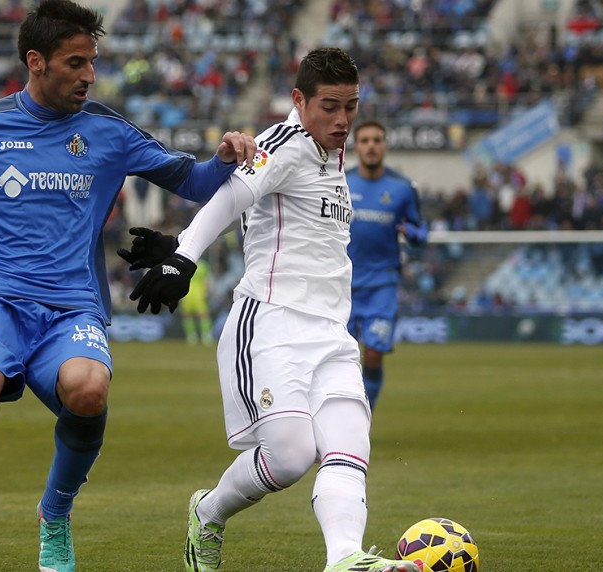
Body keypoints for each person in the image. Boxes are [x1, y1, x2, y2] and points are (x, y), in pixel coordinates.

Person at [0, 1, 256, 570]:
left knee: (89, 391)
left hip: (72, 306)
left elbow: (191, 181)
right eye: (76, 63)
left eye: (93, 62)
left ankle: (55, 516)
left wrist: (223, 158)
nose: (89, 76)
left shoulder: (108, 131)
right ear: (36, 61)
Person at [121, 47, 420, 572]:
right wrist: (183, 260)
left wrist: (175, 242)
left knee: (350, 443)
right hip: (272, 323)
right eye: (330, 105)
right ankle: (207, 513)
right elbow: (233, 198)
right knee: (290, 456)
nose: (343, 119)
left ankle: (345, 558)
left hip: (332, 330)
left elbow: (280, 221)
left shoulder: (335, 153)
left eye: (351, 106)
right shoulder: (285, 141)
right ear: (298, 100)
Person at [345, 120, 428, 409]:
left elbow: (422, 233)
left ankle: (364, 415)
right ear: (356, 146)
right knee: (338, 357)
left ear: (385, 145)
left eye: (376, 140)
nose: (371, 146)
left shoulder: (402, 188)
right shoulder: (340, 182)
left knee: (373, 356)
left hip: (382, 284)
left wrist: (413, 234)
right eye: (365, 140)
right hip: (342, 284)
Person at [181, 256, 214, 344]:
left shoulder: (184, 263)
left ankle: (192, 337)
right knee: (203, 315)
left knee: (189, 316)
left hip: (188, 294)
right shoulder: (203, 265)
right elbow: (207, 281)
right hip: (198, 294)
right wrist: (208, 291)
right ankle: (205, 336)